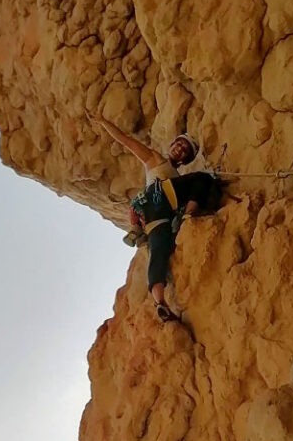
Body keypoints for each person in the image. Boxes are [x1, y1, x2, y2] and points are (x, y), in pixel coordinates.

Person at [91, 113, 225, 322]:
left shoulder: (179, 181)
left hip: (155, 214)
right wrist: (103, 122)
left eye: (183, 150)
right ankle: (187, 216)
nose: (178, 149)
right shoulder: (155, 159)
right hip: (159, 196)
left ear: (184, 159)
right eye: (178, 144)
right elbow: (126, 141)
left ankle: (160, 303)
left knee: (160, 250)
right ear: (172, 145)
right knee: (203, 178)